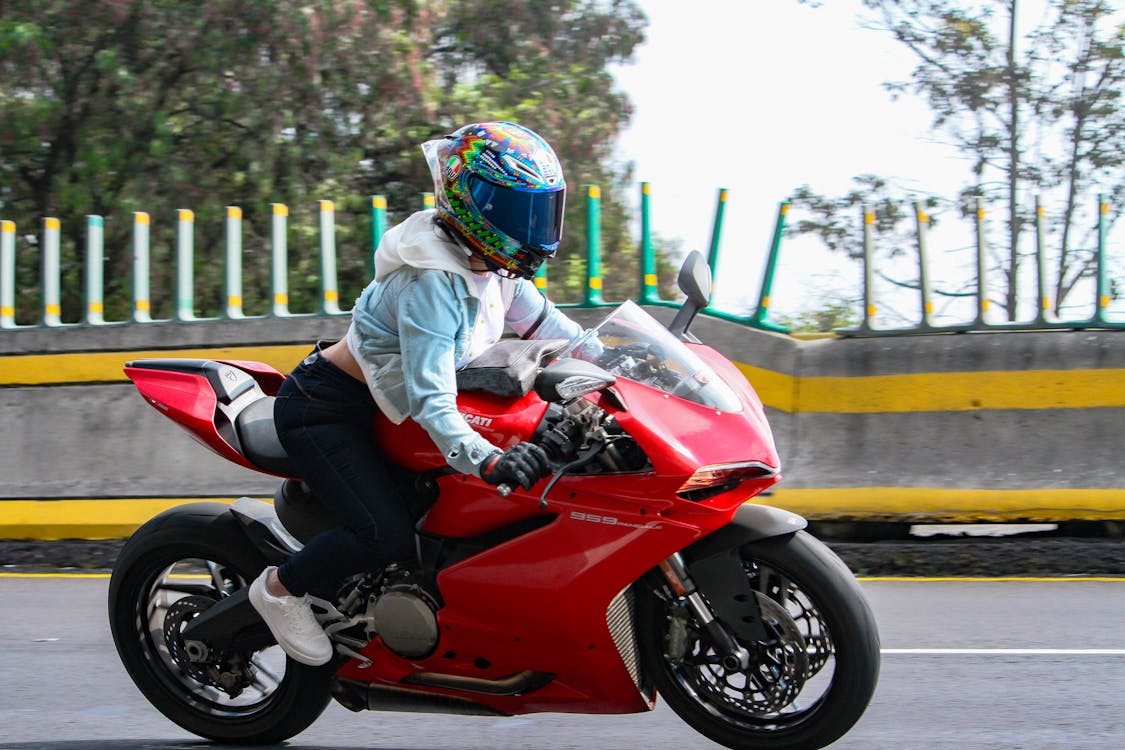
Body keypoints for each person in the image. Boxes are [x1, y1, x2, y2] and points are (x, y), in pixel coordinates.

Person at [248, 121, 585, 666]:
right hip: (329, 410)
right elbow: (432, 399)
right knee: (384, 534)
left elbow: (555, 331)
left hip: (390, 409)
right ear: (478, 206)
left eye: (543, 211)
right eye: (523, 211)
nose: (537, 228)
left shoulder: (494, 267)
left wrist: (628, 364)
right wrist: (489, 460)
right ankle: (279, 591)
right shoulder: (433, 282)